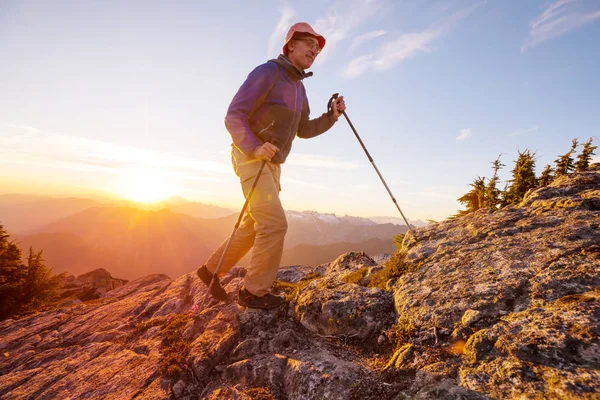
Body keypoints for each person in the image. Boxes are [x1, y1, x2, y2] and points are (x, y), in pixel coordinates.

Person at [197, 22, 346, 309]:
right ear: (291, 44)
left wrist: (332, 116)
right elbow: (234, 115)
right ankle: (253, 292)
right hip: (252, 158)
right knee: (275, 224)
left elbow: (303, 129)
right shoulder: (267, 73)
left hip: (273, 165)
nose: (314, 51)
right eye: (309, 44)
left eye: (318, 48)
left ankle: (210, 270)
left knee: (256, 224)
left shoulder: (299, 89)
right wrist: (254, 147)